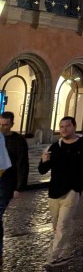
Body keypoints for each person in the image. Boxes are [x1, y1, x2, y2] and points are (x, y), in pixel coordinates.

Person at [38, 117, 83, 268]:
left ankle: (53, 257)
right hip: (55, 191)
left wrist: (80, 185)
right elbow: (42, 171)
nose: (64, 129)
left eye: (67, 126)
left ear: (74, 127)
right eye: (61, 127)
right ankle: (65, 253)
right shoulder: (55, 147)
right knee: (58, 225)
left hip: (72, 191)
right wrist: (44, 160)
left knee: (63, 224)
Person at [0, 111, 29, 261]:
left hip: (6, 184)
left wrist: (19, 187)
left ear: (12, 124)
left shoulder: (18, 141)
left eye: (5, 125)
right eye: (0, 124)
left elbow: (22, 164)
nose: (2, 127)